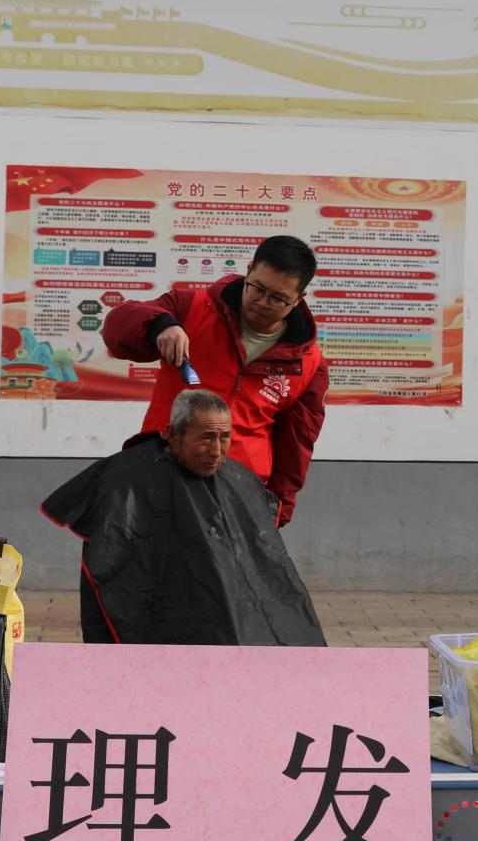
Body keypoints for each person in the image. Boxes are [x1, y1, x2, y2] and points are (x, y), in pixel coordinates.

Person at [40, 389, 325, 646]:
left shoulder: (238, 479)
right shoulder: (129, 477)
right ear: (173, 435)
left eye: (224, 437)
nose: (216, 452)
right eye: (206, 438)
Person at [100, 234, 328, 526]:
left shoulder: (308, 364)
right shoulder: (192, 308)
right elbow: (117, 329)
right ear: (248, 271)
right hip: (160, 478)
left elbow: (296, 444)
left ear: (298, 300)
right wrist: (160, 325)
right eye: (257, 288)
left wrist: (278, 510)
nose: (262, 302)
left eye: (278, 299)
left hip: (237, 498)